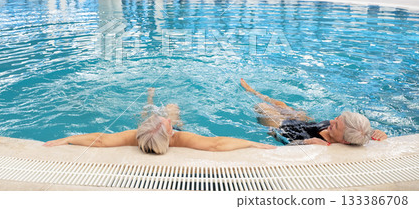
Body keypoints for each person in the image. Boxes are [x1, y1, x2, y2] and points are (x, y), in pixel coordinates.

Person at [44, 88, 276, 154]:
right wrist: (252, 143)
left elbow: (102, 141)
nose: (165, 121)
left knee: (149, 116)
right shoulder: (180, 138)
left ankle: (149, 98)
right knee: (173, 110)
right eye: (167, 125)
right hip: (160, 135)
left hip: (149, 133)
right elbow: (216, 144)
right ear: (172, 133)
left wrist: (68, 139)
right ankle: (157, 103)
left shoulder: (135, 137)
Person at [241, 78, 388, 146]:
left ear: (344, 141)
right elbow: (361, 133)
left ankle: (253, 94)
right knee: (281, 104)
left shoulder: (321, 145)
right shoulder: (351, 131)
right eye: (337, 118)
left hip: (281, 128)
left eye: (336, 126)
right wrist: (377, 132)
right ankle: (252, 91)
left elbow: (288, 146)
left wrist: (306, 143)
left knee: (262, 107)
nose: (332, 121)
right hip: (305, 123)